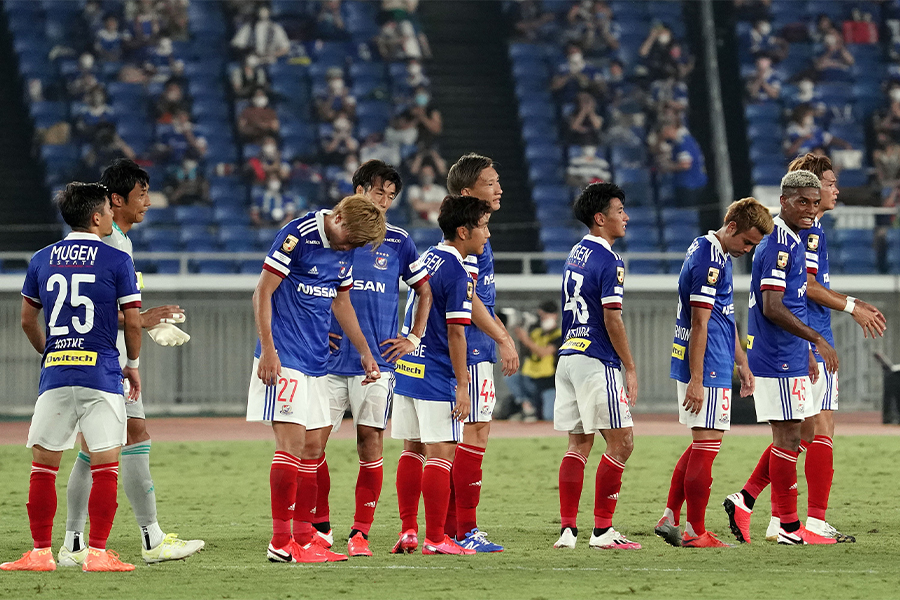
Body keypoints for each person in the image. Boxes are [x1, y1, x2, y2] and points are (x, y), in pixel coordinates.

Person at [59, 160, 203, 567]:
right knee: (130, 438)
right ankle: (150, 539)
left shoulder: (114, 239)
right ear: (115, 200)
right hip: (106, 359)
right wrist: (144, 319)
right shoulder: (111, 244)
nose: (148, 203)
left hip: (83, 357)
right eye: (141, 195)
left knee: (93, 448)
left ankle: (73, 544)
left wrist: (144, 318)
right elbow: (104, 309)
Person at [2, 182, 142, 572]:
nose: (113, 217)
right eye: (108, 212)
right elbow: (132, 320)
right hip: (101, 372)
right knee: (105, 464)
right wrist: (132, 362)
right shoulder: (116, 259)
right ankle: (97, 553)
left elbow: (28, 319)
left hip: (57, 372)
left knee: (43, 465)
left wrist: (49, 352)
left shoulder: (42, 258)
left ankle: (40, 553)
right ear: (96, 217)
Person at [247, 194, 386, 564]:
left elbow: (342, 302)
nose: (349, 248)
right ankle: (280, 541)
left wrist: (365, 350)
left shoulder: (348, 245)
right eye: (349, 241)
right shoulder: (297, 236)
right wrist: (269, 350)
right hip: (285, 357)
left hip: (316, 361)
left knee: (312, 451)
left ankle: (305, 539)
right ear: (337, 217)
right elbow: (262, 291)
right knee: (291, 447)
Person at [309, 160, 433, 557]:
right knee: (314, 445)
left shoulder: (398, 241)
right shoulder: (330, 236)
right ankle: (320, 527)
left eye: (391, 196)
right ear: (358, 190)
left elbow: (425, 291)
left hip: (377, 363)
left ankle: (360, 532)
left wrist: (412, 338)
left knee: (370, 442)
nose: (384, 201)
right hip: (326, 362)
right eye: (379, 192)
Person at [763, 154, 887, 542]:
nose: (835, 190)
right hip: (812, 335)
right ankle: (812, 519)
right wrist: (852, 306)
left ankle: (764, 509)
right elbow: (810, 286)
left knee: (796, 434)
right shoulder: (810, 232)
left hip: (805, 337)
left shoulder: (800, 231)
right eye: (829, 184)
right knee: (818, 431)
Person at [723, 170, 840, 546]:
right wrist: (816, 339)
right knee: (789, 437)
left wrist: (805, 347)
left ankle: (756, 507)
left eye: (814, 200)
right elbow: (774, 307)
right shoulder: (777, 244)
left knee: (793, 435)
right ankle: (787, 524)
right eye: (802, 201)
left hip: (789, 351)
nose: (810, 208)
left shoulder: (792, 239)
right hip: (777, 354)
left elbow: (791, 301)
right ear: (784, 201)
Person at [655, 198, 773, 549]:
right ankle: (695, 531)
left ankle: (671, 516)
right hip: (706, 365)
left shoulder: (711, 249)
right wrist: (697, 378)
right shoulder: (710, 259)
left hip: (716, 360)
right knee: (706, 449)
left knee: (698, 447)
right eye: (747, 242)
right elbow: (700, 322)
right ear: (732, 227)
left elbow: (724, 316)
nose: (748, 250)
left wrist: (742, 361)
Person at [390, 194, 492, 556]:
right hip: (435, 371)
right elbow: (456, 332)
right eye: (482, 226)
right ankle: (436, 537)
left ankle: (408, 531)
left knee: (411, 449)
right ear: (463, 231)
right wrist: (463, 385)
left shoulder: (427, 257)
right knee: (441, 453)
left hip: (407, 366)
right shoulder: (458, 271)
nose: (488, 233)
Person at [552, 182, 640, 551]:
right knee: (622, 443)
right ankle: (603, 531)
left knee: (578, 444)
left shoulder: (576, 252)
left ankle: (568, 531)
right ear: (600, 218)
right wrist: (629, 366)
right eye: (620, 210)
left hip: (568, 355)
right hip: (595, 360)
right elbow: (612, 317)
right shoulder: (610, 259)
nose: (626, 217)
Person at [443, 153, 520, 552]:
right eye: (491, 182)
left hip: (467, 347)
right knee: (474, 435)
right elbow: (471, 300)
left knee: (454, 440)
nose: (499, 188)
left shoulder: (470, 235)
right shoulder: (470, 238)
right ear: (467, 192)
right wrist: (504, 339)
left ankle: (450, 528)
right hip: (470, 349)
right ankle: (464, 529)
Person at [509, 301, 563, 421]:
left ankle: (536, 410)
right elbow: (525, 353)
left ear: (554, 315)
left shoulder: (559, 334)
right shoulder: (536, 332)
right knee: (511, 378)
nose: (541, 319)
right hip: (531, 378)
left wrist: (525, 339)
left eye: (544, 316)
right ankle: (527, 406)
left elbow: (544, 352)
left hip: (549, 382)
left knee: (549, 416)